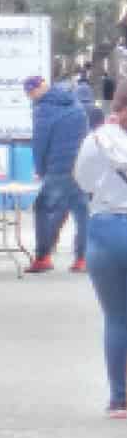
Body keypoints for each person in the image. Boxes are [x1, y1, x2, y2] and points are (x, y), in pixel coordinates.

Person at [73, 83, 127, 417]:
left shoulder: (95, 140)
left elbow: (82, 181)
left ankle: (119, 399)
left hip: (105, 229)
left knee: (116, 317)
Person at [25, 75, 91, 273]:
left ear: (37, 89)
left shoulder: (43, 109)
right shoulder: (75, 103)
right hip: (79, 165)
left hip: (58, 167)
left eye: (29, 93)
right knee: (81, 211)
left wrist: (40, 169)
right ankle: (83, 258)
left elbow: (40, 143)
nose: (30, 97)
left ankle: (43, 257)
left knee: (43, 207)